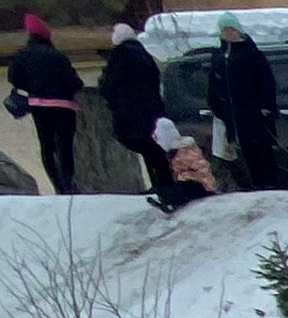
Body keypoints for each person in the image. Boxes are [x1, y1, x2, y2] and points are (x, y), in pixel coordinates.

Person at [99, 20, 173, 204]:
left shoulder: (119, 58)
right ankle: (163, 182)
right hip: (151, 111)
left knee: (145, 147)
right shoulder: (144, 55)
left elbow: (109, 85)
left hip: (129, 113)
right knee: (154, 147)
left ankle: (161, 184)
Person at [9, 13, 83, 194]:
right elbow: (74, 83)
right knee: (65, 146)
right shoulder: (57, 56)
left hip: (38, 106)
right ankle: (68, 183)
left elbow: (14, 79)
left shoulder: (21, 56)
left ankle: (57, 185)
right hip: (63, 107)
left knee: (47, 146)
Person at [206, 15, 281, 190]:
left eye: (231, 29)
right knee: (246, 153)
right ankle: (257, 186)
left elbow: (266, 81)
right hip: (233, 116)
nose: (228, 33)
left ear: (238, 30)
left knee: (262, 150)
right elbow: (214, 84)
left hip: (254, 113)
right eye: (225, 30)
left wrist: (266, 105)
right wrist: (216, 106)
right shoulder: (219, 57)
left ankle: (270, 186)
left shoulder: (251, 53)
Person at [158, 117, 217, 212]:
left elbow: (193, 171)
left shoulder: (185, 150)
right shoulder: (179, 151)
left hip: (202, 186)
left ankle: (172, 201)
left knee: (180, 188)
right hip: (196, 184)